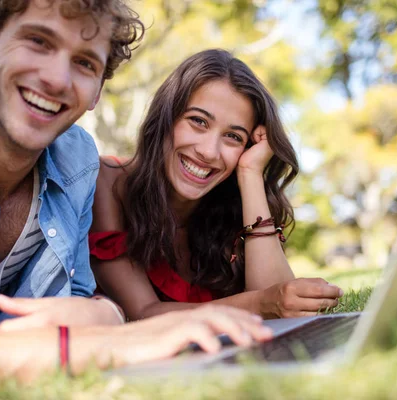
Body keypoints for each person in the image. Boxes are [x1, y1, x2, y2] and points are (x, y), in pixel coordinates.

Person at [0, 1, 272, 395]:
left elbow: (83, 305)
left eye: (85, 63)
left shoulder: (74, 159)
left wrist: (106, 315)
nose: (58, 79)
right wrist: (80, 347)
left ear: (96, 93)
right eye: (39, 41)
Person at [90, 49, 344, 321]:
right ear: (166, 119)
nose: (210, 152)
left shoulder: (230, 202)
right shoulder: (108, 182)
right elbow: (142, 312)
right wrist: (261, 303)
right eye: (198, 121)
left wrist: (250, 172)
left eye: (233, 136)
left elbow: (280, 312)